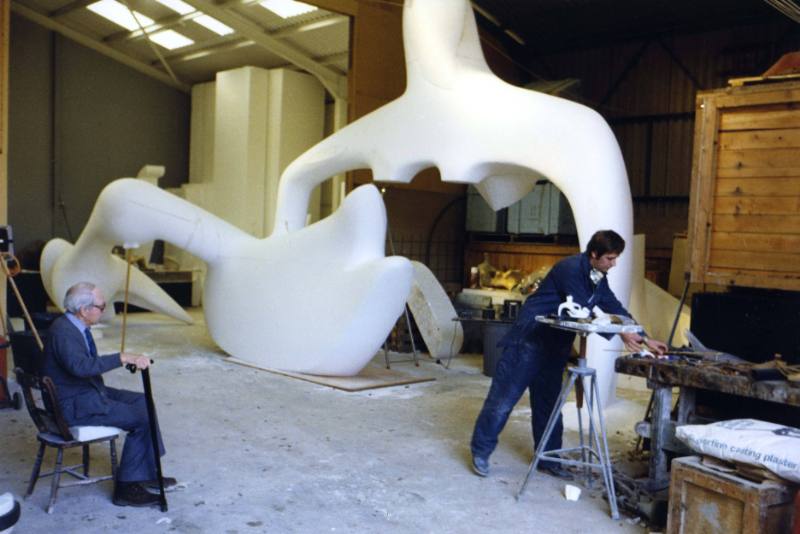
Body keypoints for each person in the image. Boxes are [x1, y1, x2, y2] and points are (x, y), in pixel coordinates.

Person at [470, 230, 667, 479]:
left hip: (554, 345)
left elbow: (614, 307)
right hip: (529, 340)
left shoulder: (598, 276)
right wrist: (621, 333)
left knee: (549, 405)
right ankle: (481, 451)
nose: (613, 264)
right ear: (594, 254)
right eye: (610, 258)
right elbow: (583, 308)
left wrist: (644, 336)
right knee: (503, 400)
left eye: (616, 258)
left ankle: (549, 459)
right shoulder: (570, 269)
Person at [41, 282, 176, 507]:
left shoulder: (74, 326)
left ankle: (145, 471)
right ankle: (126, 488)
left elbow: (83, 367)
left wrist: (125, 358)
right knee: (141, 418)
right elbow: (81, 367)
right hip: (74, 403)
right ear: (84, 310)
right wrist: (121, 357)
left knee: (142, 401)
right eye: (101, 306)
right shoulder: (64, 332)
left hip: (83, 392)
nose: (104, 309)